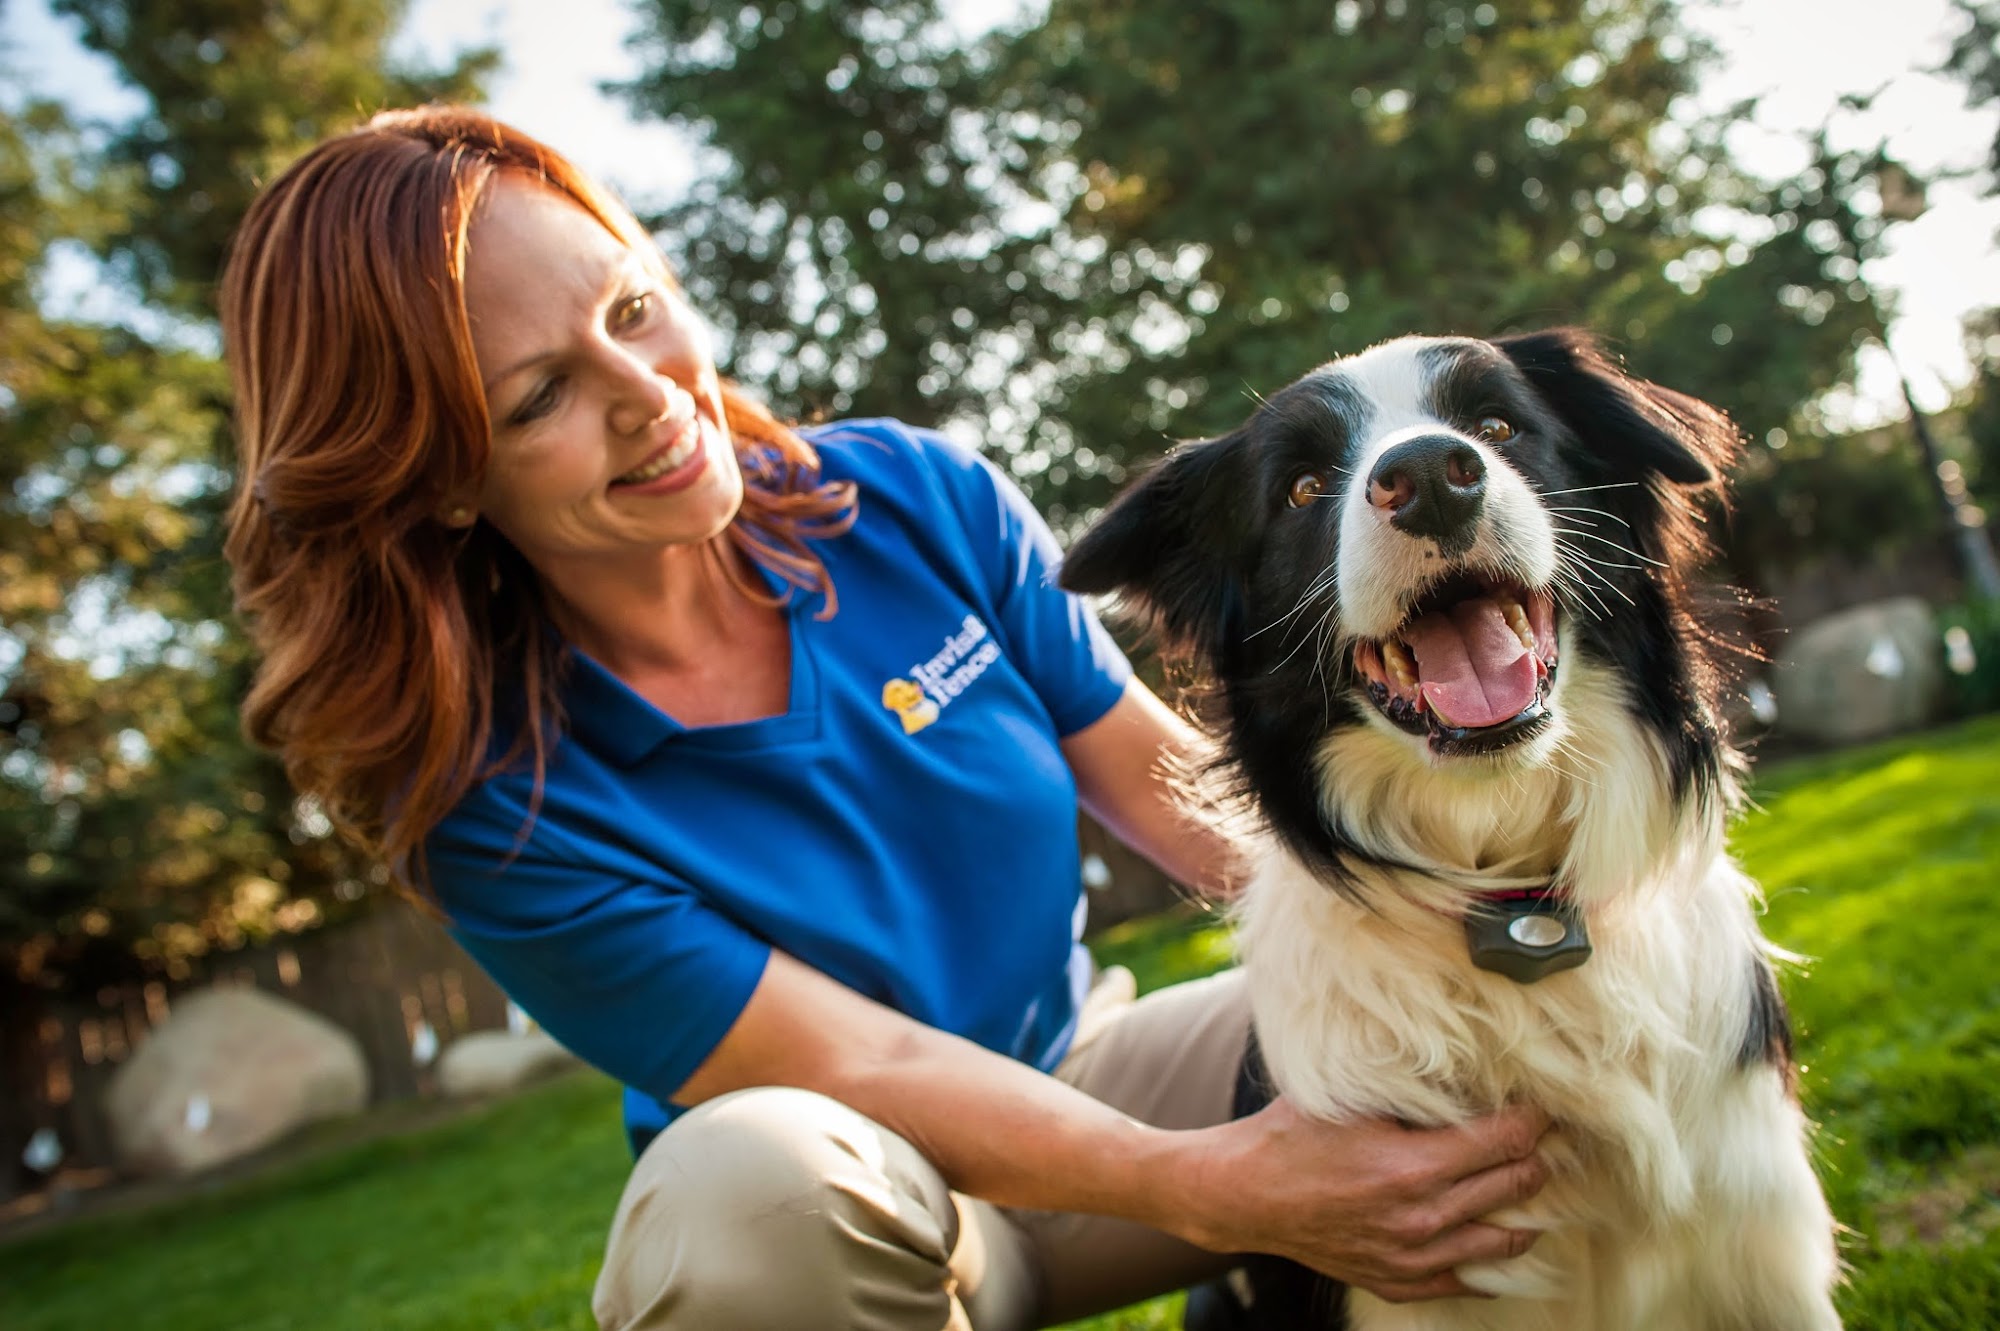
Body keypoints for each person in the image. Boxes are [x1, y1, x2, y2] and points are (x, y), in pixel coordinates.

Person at [218, 106, 1549, 1331]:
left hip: (1097, 1069)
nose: (647, 390)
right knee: (741, 1204)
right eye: (539, 397)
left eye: (631, 306)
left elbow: (1177, 792)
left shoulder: (910, 497)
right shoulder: (483, 799)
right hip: (872, 1195)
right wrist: (1225, 1190)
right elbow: (861, 1059)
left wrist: (1496, 924)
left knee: (1511, 1014)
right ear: (438, 477)